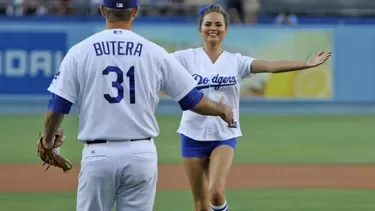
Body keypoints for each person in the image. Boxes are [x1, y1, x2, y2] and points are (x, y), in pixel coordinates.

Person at [40, 1, 235, 211]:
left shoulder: (80, 51)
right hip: (141, 155)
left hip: (98, 155)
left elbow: (58, 105)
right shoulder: (154, 52)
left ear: (103, 10)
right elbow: (192, 99)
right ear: (135, 12)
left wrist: (48, 141)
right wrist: (221, 109)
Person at [171, 4, 331, 211]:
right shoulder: (184, 58)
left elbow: (271, 66)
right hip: (191, 135)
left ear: (226, 30)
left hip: (224, 135)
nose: (213, 28)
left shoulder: (236, 61)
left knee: (216, 192)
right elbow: (154, 63)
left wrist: (305, 64)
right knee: (201, 205)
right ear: (200, 29)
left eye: (218, 24)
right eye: (208, 24)